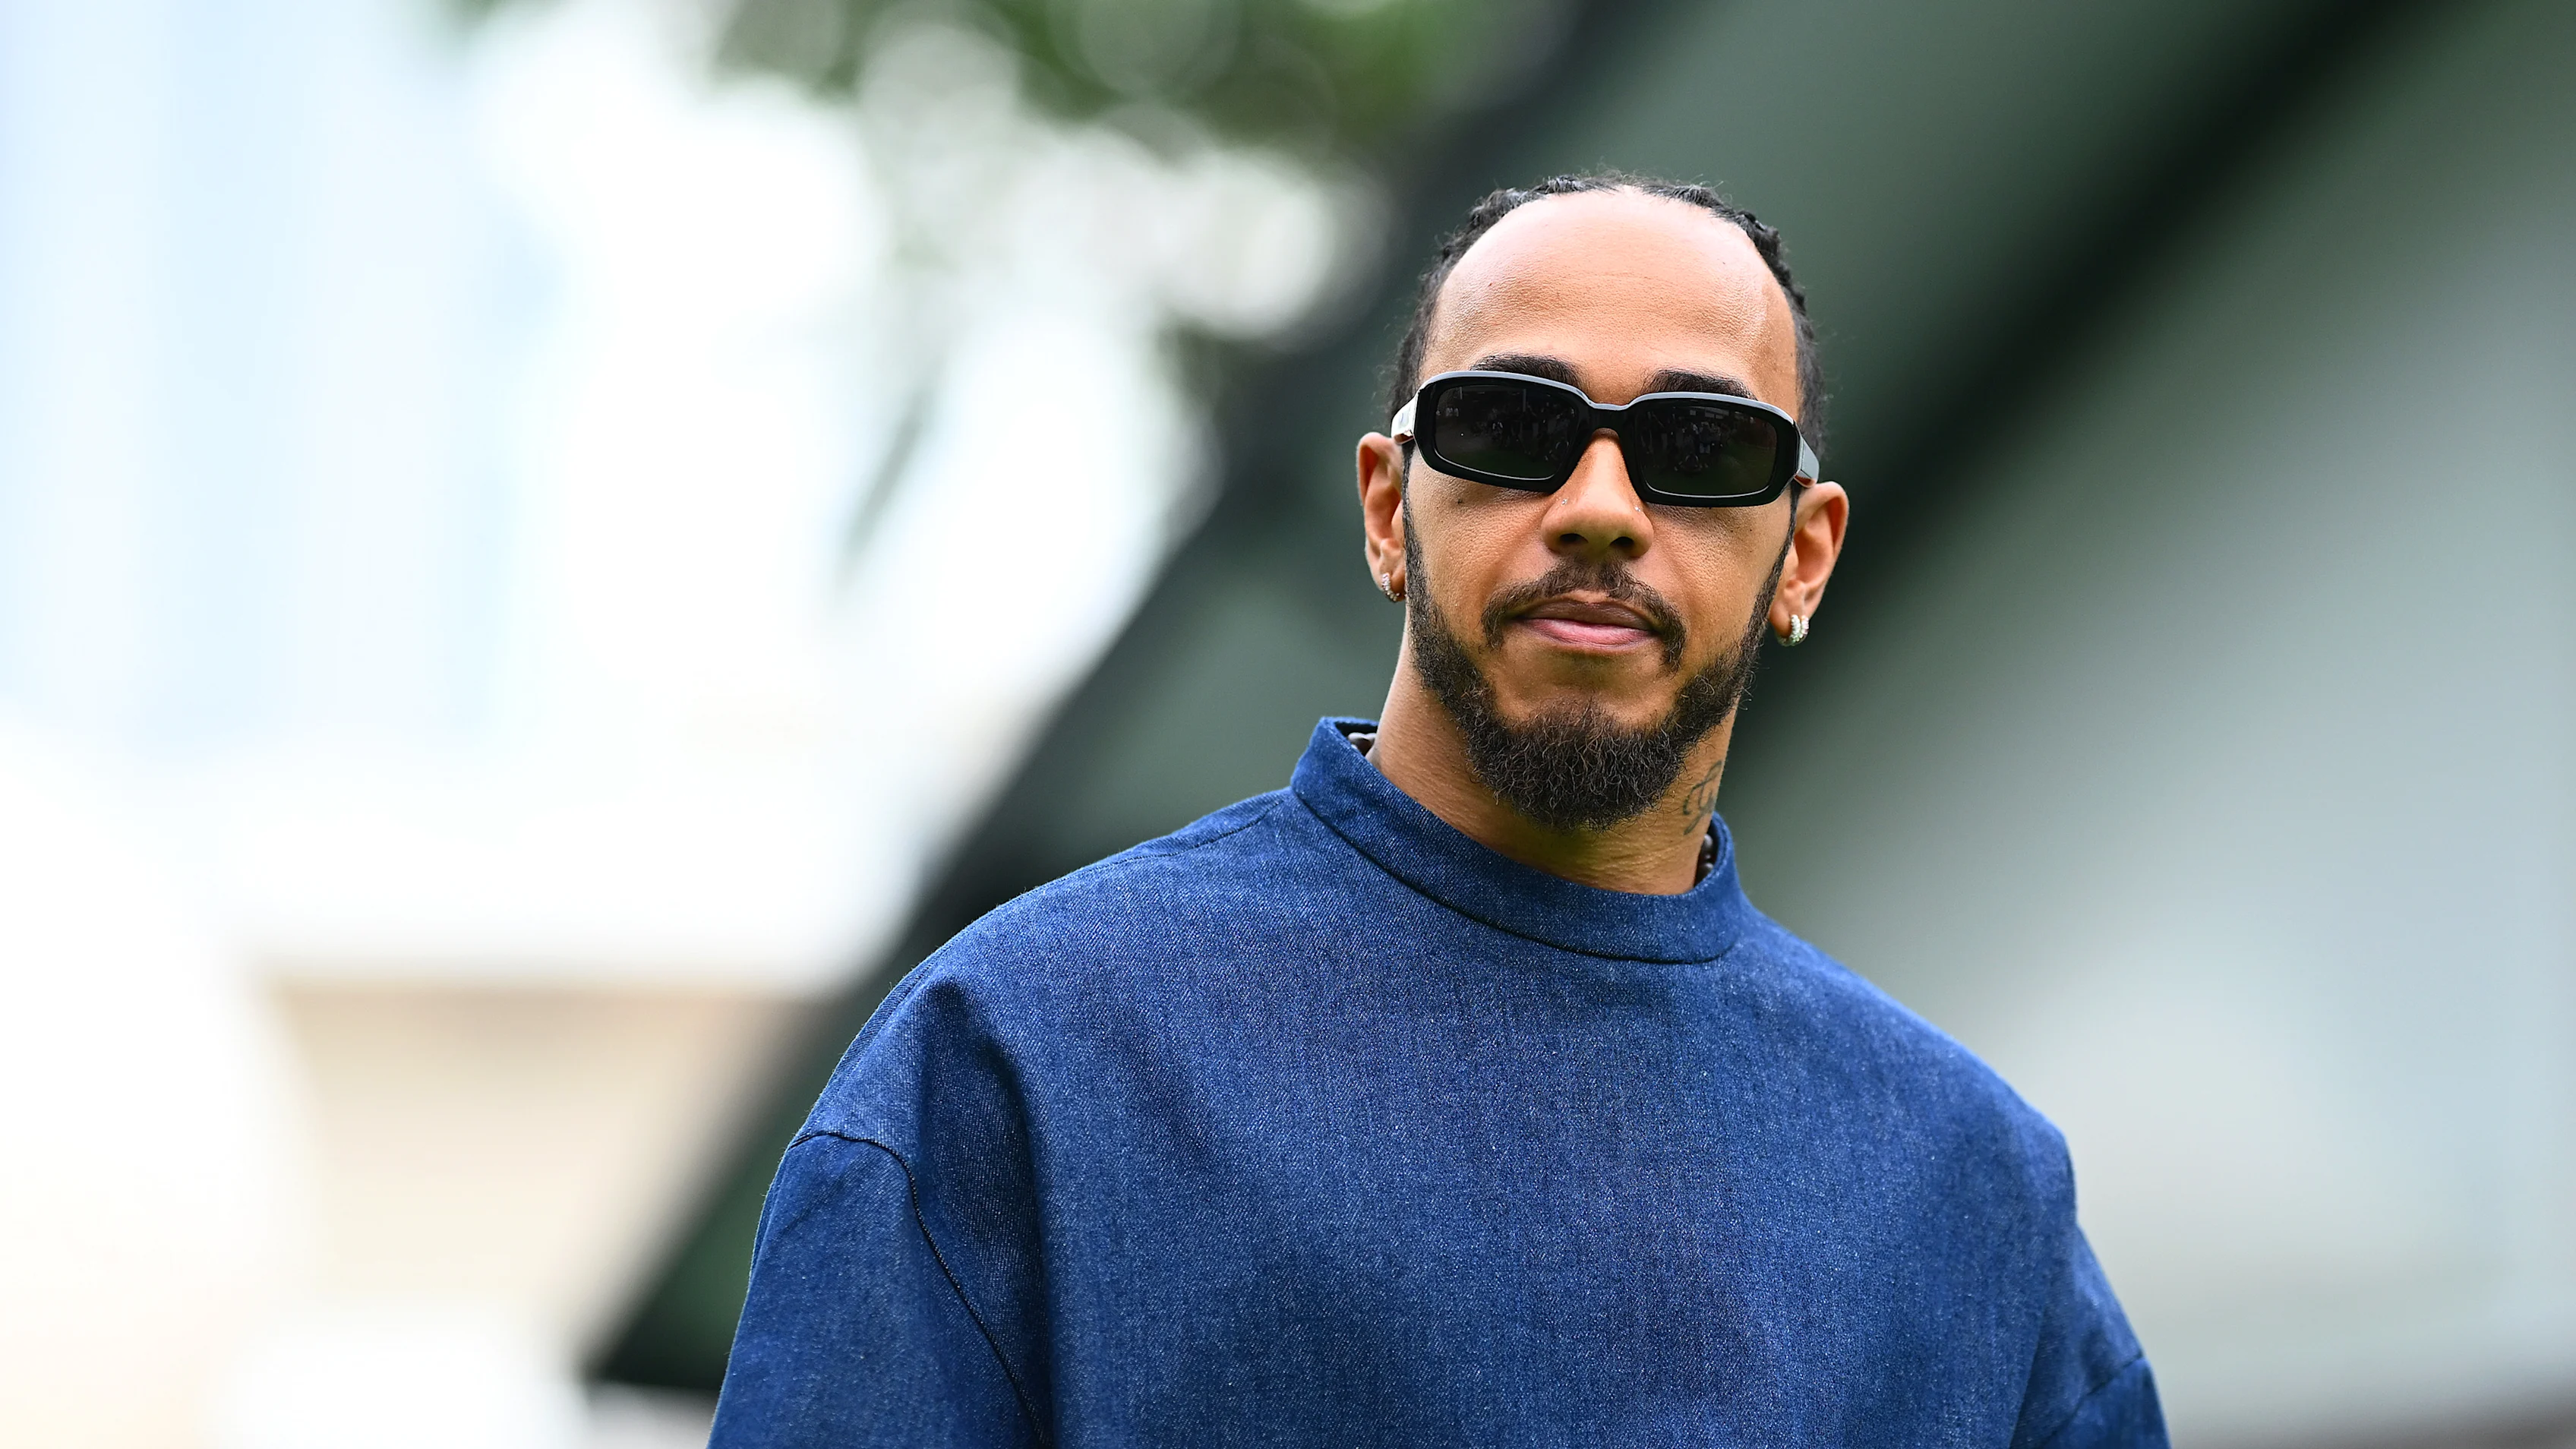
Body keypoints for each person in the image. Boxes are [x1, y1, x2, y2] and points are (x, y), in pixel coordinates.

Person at [709, 174, 2166, 1447]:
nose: (1600, 502)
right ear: (1384, 509)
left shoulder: (1974, 1194)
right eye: (1509, 426)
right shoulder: (1022, 1060)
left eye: (1704, 448)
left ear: (1806, 556)